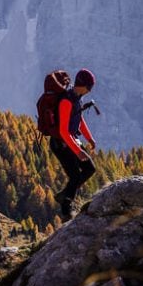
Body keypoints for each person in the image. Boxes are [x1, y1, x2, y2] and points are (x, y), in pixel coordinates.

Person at [51, 68, 97, 220]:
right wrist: (78, 151)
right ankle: (66, 210)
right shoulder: (66, 101)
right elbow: (63, 131)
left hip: (71, 140)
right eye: (90, 87)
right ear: (84, 85)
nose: (90, 90)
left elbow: (79, 119)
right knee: (75, 175)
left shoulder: (77, 97)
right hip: (60, 144)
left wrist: (89, 138)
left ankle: (65, 195)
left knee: (89, 168)